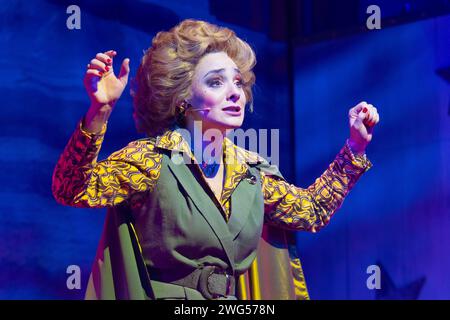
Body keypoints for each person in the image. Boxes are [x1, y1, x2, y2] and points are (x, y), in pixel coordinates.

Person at [52, 19, 379, 300]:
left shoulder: (251, 173)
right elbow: (72, 189)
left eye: (237, 82)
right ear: (181, 97)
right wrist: (100, 112)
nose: (236, 92)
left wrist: (354, 148)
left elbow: (312, 212)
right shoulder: (150, 160)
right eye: (216, 81)